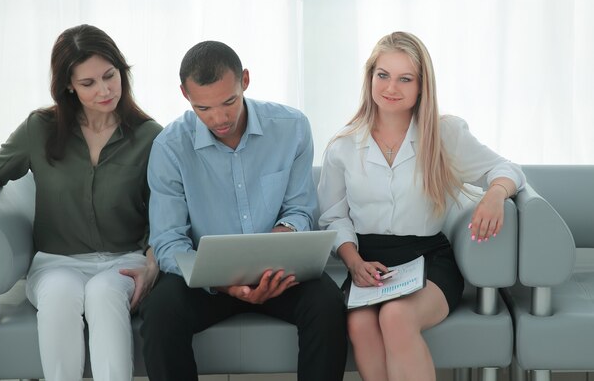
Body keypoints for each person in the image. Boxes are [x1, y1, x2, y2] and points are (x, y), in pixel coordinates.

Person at [317, 31, 525, 381]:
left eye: (405, 78)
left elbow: (507, 170)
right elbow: (334, 216)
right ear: (370, 78)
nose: (391, 87)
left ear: (421, 86)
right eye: (382, 75)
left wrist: (494, 195)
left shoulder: (445, 133)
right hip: (367, 262)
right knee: (359, 322)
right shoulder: (343, 146)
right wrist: (354, 262)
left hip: (428, 259)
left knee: (396, 316)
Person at [139, 40, 348, 381]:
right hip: (207, 284)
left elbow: (299, 209)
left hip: (279, 272)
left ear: (245, 81)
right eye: (203, 108)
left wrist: (280, 242)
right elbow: (169, 242)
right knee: (161, 313)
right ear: (184, 94)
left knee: (326, 304)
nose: (219, 119)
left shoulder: (292, 127)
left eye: (229, 102)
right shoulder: (169, 147)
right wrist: (223, 283)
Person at [0, 24, 163, 381]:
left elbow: (165, 215)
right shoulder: (40, 128)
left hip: (124, 261)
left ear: (123, 71)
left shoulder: (150, 136)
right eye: (88, 83)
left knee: (104, 296)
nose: (105, 90)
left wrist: (151, 266)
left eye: (110, 76)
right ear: (68, 85)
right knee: (59, 295)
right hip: (56, 262)